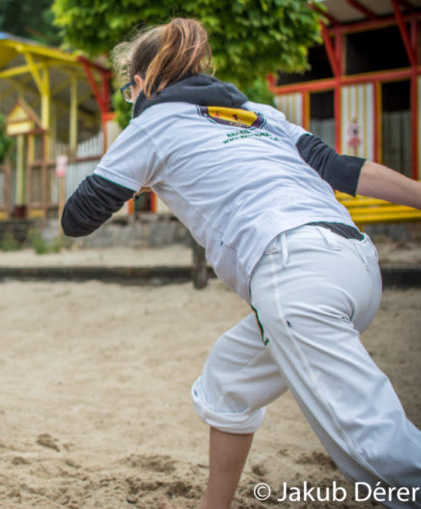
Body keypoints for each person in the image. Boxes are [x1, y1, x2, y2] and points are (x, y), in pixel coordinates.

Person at [61, 18, 421, 509]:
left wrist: (136, 174)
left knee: (379, 453)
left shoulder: (151, 125)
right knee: (227, 383)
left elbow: (77, 218)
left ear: (142, 82)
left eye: (130, 91)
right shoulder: (261, 115)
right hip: (354, 262)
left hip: (294, 272)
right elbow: (344, 170)